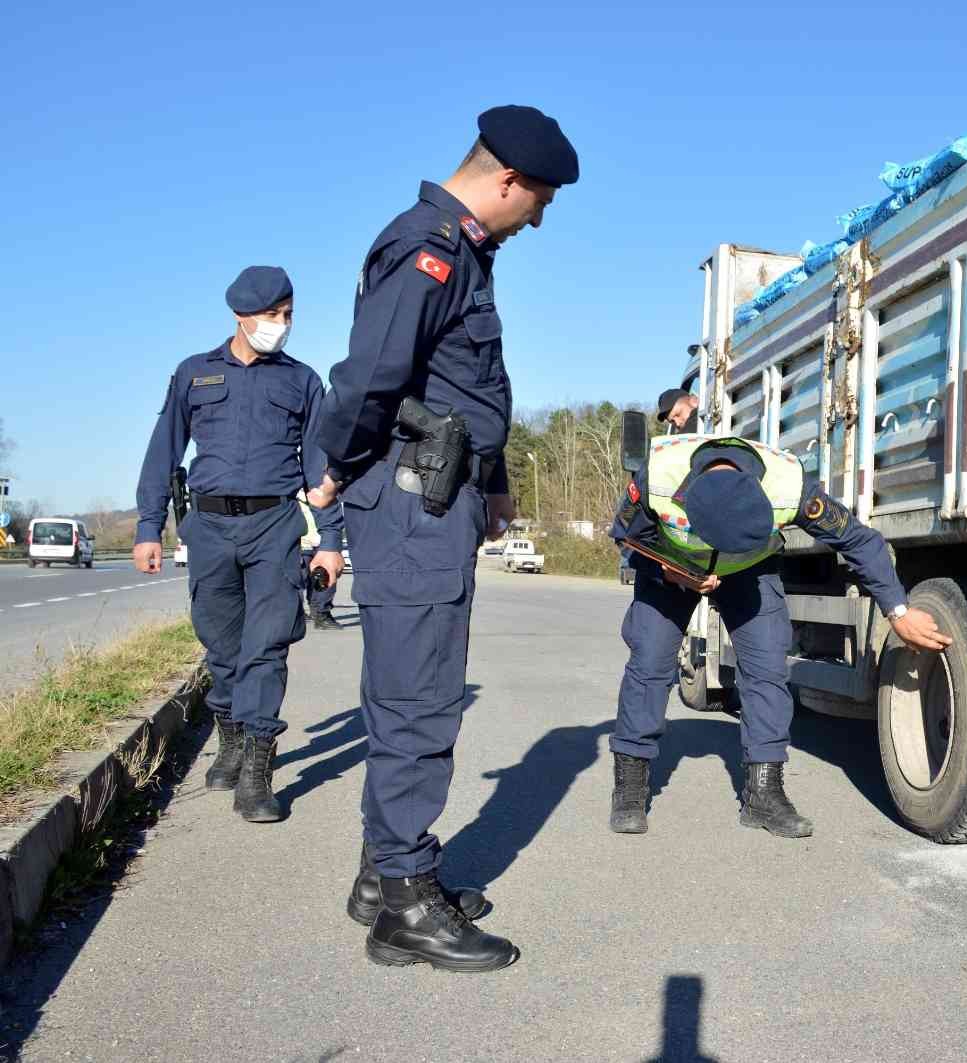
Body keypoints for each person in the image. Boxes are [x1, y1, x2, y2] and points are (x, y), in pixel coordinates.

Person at [308, 105, 578, 973]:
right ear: (505, 179)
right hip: (413, 496)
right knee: (419, 697)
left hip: (440, 489)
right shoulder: (429, 245)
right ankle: (406, 905)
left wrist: (494, 482)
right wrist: (343, 466)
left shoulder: (464, 252)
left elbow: (467, 386)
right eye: (537, 201)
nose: (537, 218)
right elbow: (371, 377)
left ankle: (380, 877)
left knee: (404, 689)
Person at [609, 433, 951, 838]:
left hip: (749, 571)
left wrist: (898, 610)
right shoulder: (659, 478)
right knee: (649, 661)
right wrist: (666, 570)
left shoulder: (790, 488)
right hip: (670, 567)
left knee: (768, 668)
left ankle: (764, 796)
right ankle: (629, 786)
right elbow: (626, 536)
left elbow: (858, 539)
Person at [134, 266, 345, 823]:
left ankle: (256, 766)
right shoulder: (193, 374)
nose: (282, 326)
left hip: (274, 525)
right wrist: (148, 527)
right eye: (273, 316)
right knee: (220, 643)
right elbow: (164, 451)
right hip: (207, 527)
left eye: (289, 315)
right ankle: (228, 729)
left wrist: (331, 540)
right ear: (241, 316)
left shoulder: (301, 381)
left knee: (267, 645)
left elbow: (320, 469)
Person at [298, 492, 340, 630]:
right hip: (300, 543)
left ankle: (321, 614)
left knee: (323, 579)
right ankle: (297, 611)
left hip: (323, 543)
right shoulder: (291, 493)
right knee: (298, 580)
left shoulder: (325, 491)